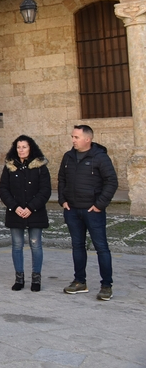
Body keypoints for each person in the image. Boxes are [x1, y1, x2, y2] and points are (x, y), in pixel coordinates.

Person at [58, 124, 118, 301]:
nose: (73, 140)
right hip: (72, 210)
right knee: (77, 246)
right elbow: (61, 179)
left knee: (101, 248)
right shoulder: (68, 157)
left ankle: (106, 285)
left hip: (93, 211)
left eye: (76, 137)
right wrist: (63, 200)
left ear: (87, 139)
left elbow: (111, 182)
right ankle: (79, 282)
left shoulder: (100, 157)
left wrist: (100, 204)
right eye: (72, 137)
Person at [0, 135, 51, 292]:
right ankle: (19, 278)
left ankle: (36, 278)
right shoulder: (9, 166)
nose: (21, 150)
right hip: (15, 212)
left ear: (31, 148)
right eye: (18, 147)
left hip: (35, 212)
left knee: (36, 245)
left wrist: (31, 207)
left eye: (24, 147)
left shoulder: (40, 167)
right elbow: (3, 189)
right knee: (17, 245)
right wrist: (15, 207)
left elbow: (45, 190)